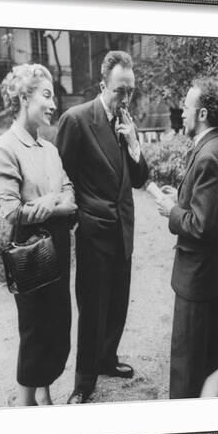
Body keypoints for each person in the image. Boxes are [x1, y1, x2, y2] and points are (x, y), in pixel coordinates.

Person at [57, 51, 149, 404]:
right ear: (102, 85)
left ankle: (107, 359)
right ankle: (83, 382)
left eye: (131, 91)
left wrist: (133, 144)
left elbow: (139, 179)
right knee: (93, 308)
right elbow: (62, 176)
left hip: (123, 229)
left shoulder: (128, 122)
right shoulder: (77, 119)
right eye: (119, 91)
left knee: (117, 304)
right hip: (94, 233)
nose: (125, 99)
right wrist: (78, 218)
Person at [0, 64, 77, 406]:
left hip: (58, 248)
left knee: (57, 329)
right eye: (47, 94)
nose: (54, 102)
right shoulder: (4, 147)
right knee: (35, 333)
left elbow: (71, 198)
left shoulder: (51, 149)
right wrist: (55, 205)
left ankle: (46, 393)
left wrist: (50, 201)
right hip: (29, 251)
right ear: (24, 97)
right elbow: (9, 210)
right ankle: (26, 409)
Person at [156, 76, 218, 399]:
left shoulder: (207, 156)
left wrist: (172, 210)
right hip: (215, 277)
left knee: (187, 370)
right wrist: (182, 198)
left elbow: (202, 226)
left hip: (197, 280)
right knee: (215, 358)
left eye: (186, 107)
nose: (182, 112)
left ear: (201, 114)